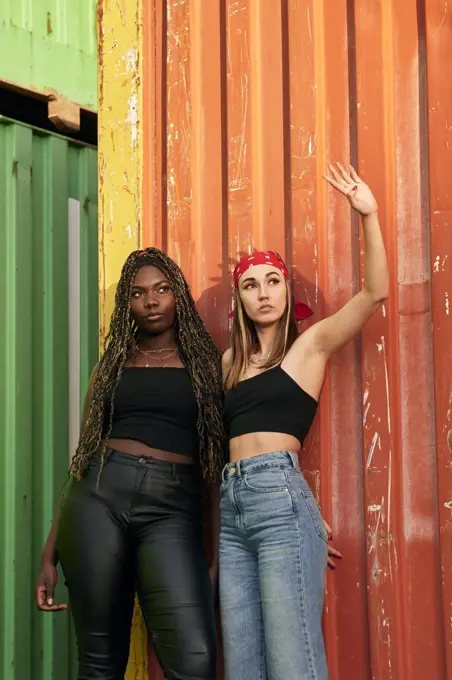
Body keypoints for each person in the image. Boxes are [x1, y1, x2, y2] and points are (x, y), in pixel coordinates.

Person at [220, 163, 389, 680]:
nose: (264, 293)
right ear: (241, 299)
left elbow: (374, 294)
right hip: (231, 511)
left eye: (273, 281)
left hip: (280, 499)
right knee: (244, 667)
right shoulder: (226, 363)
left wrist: (369, 215)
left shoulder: (308, 348)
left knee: (293, 664)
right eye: (251, 285)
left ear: (287, 292)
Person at [35, 247, 225, 680]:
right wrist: (51, 552)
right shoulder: (111, 368)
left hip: (171, 510)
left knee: (196, 660)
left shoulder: (206, 367)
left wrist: (213, 555)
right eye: (139, 294)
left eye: (161, 290)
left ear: (178, 294)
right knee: (100, 664)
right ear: (128, 304)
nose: (152, 301)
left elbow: (213, 468)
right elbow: (82, 456)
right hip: (97, 500)